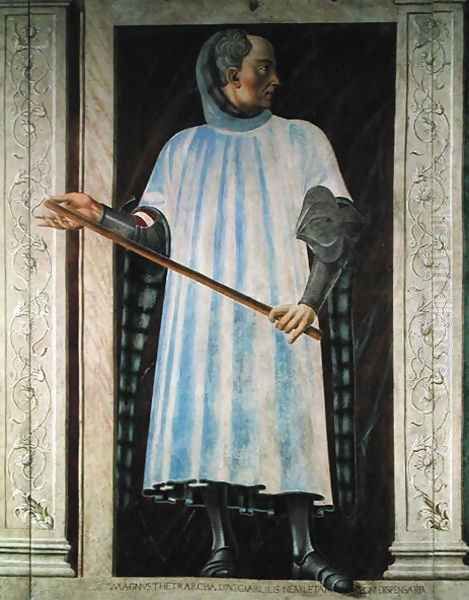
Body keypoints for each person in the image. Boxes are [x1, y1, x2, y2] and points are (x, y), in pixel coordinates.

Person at [39, 29, 363, 593]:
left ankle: (304, 550)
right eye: (263, 69)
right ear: (228, 76)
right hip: (201, 314)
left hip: (279, 306)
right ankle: (219, 545)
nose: (276, 79)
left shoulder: (302, 138)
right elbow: (153, 230)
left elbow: (333, 226)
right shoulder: (183, 148)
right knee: (208, 419)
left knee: (291, 420)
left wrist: (309, 302)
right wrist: (98, 215)